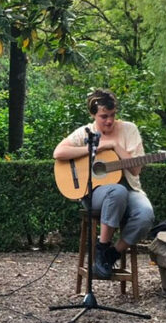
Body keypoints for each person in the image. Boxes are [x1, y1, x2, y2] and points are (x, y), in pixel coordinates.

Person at [53, 88, 155, 279]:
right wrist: (97, 147)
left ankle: (111, 254)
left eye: (113, 115)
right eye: (103, 116)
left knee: (146, 215)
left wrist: (115, 146)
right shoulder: (86, 132)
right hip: (94, 193)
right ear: (93, 115)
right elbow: (58, 153)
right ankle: (101, 248)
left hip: (130, 189)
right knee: (116, 192)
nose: (109, 120)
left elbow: (136, 170)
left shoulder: (128, 129)